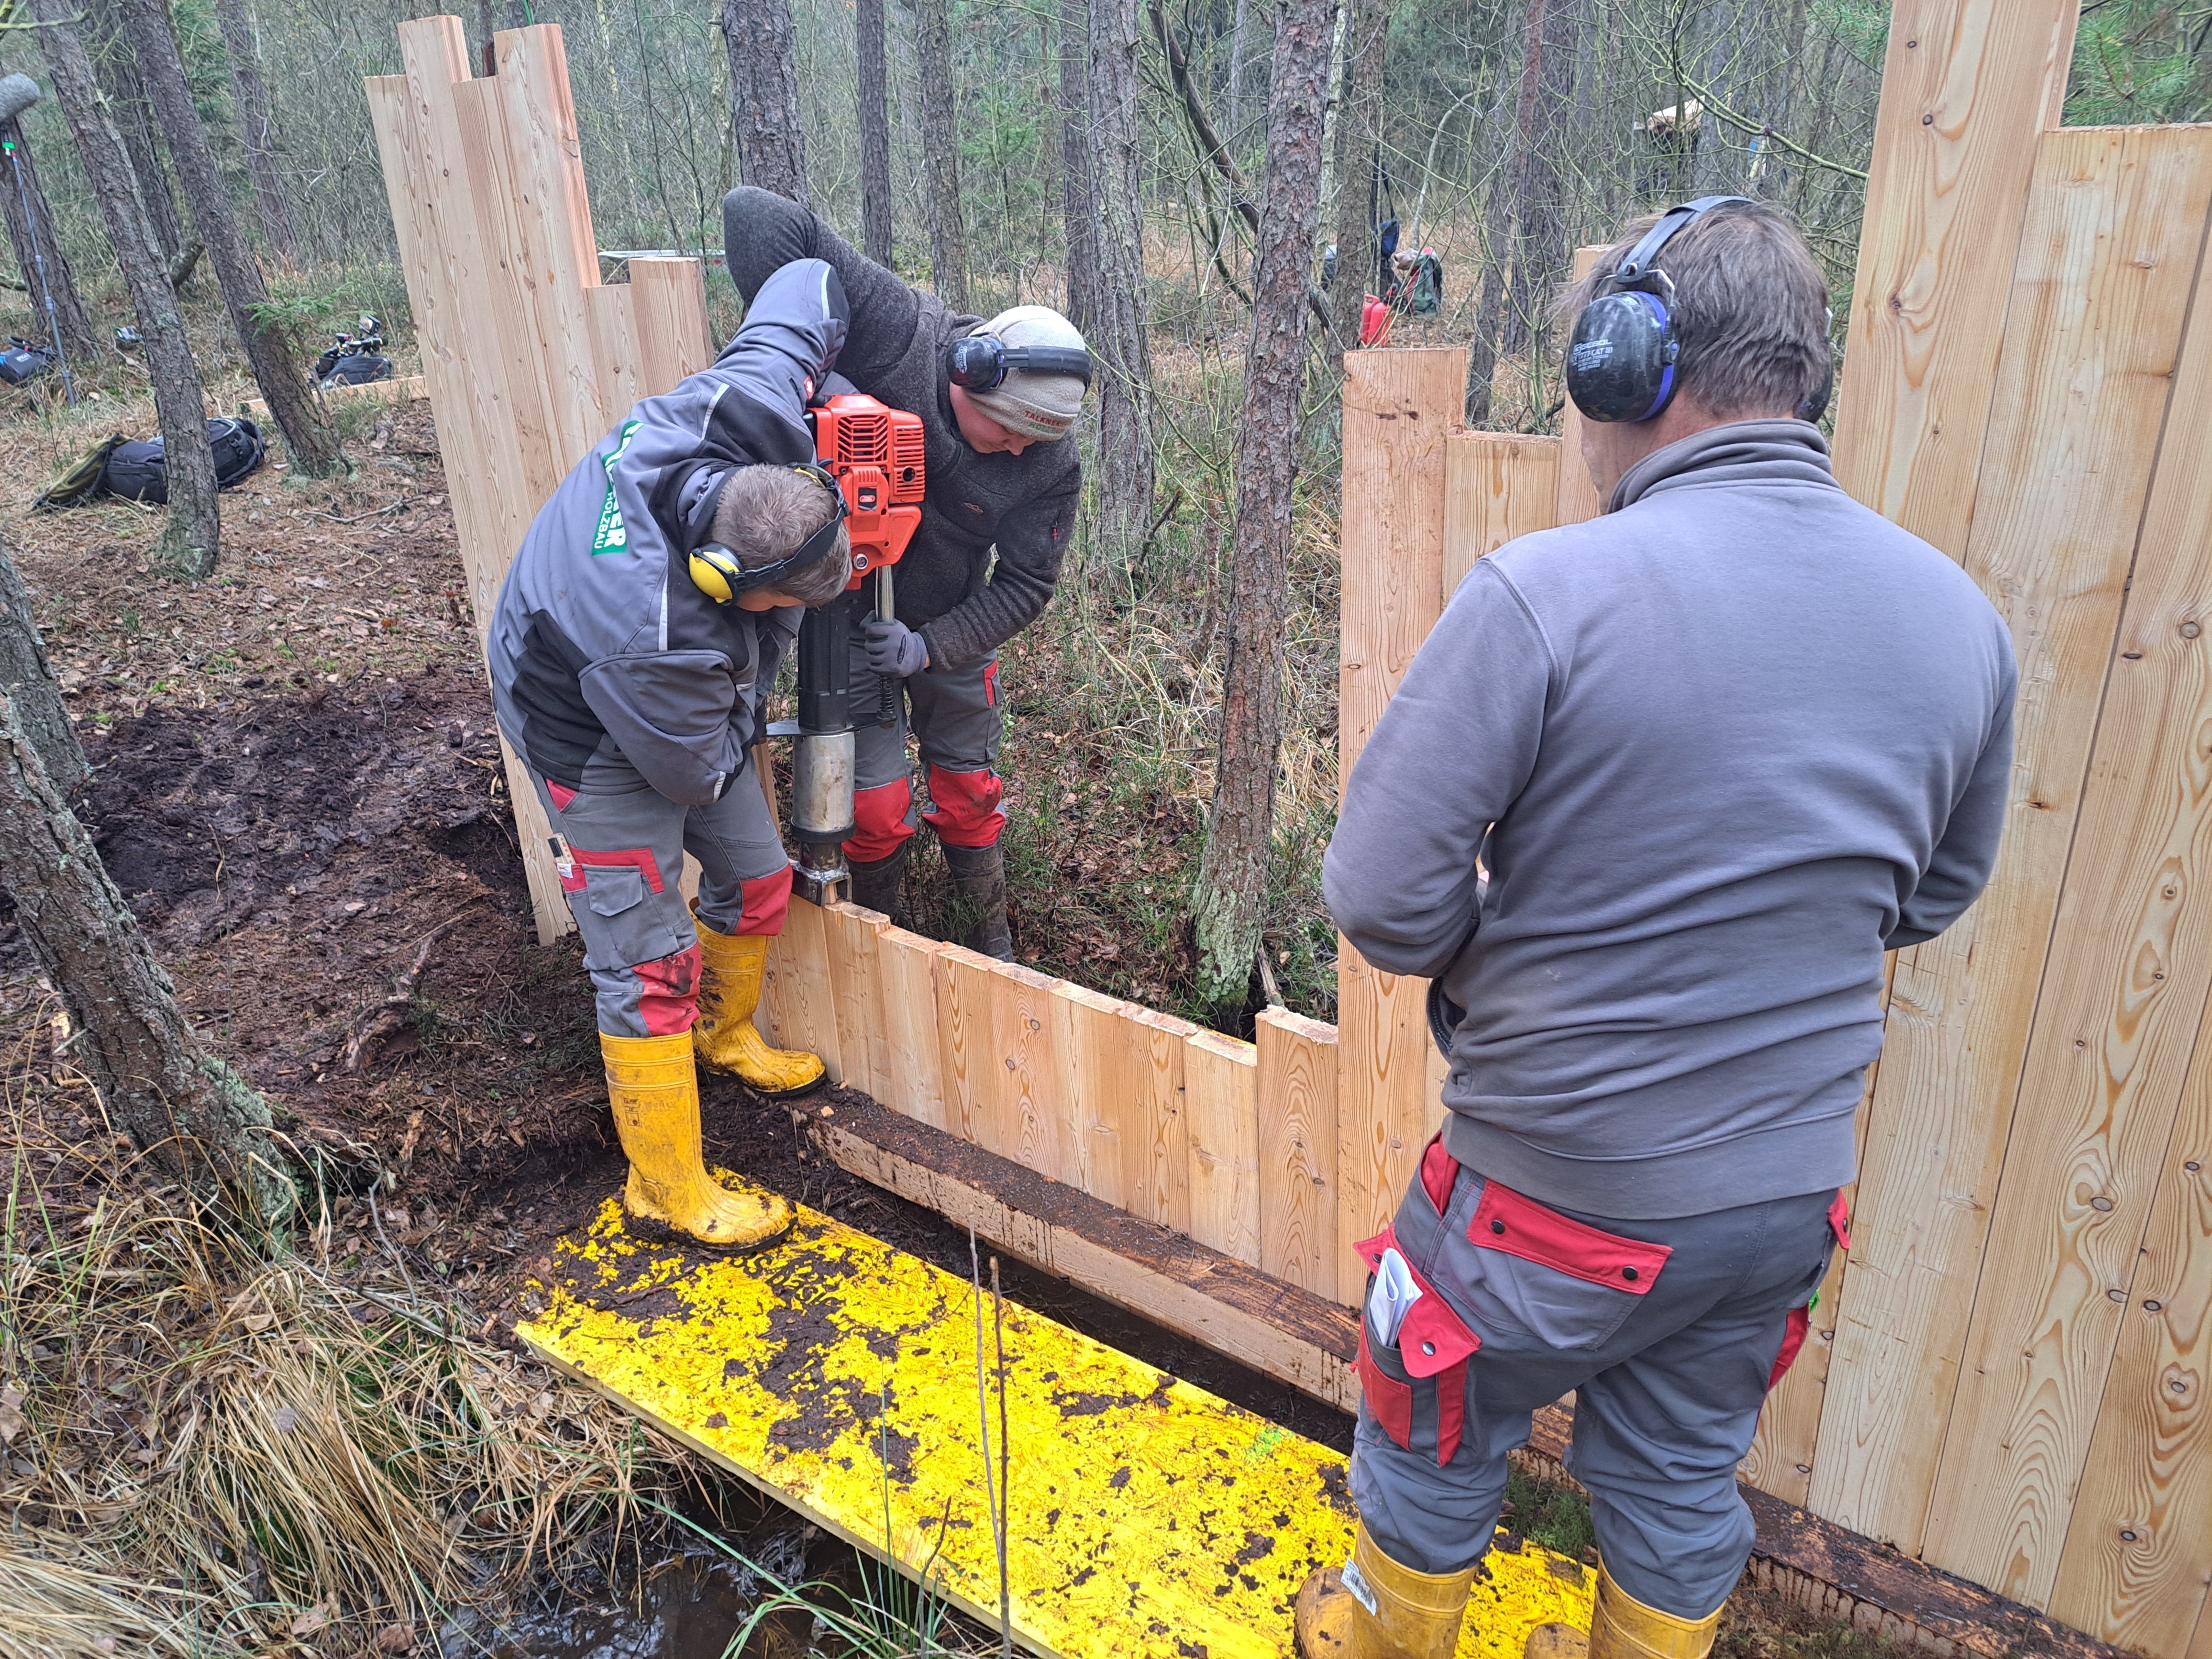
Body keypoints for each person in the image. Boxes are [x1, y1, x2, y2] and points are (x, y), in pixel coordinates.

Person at [1296, 200, 2017, 1659]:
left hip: (1544, 1198)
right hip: (1773, 1214)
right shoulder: (1962, 624)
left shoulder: (1550, 590)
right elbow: (1933, 894)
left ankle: (1379, 1639)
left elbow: (1380, 895)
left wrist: (1498, 947)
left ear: (1635, 366)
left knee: (1428, 1417)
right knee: (1683, 1476)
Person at [486, 257, 857, 1251]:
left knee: (758, 874)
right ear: (726, 580)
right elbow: (691, 772)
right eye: (784, 605)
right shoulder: (661, 637)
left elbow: (805, 289)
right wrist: (760, 661)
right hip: (579, 718)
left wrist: (848, 375)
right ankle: (666, 1187)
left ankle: (723, 1035)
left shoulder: (732, 417)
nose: (791, 620)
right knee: (647, 957)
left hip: (669, 697)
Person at [723, 186, 1091, 959]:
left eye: (1039, 442)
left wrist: (932, 647)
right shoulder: (906, 333)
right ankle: (879, 936)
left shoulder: (1050, 462)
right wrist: (819, 379)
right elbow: (757, 217)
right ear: (970, 373)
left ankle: (989, 932)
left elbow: (1027, 584)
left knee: (968, 790)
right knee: (876, 804)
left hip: (948, 624)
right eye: (1012, 432)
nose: (1022, 454)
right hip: (844, 620)